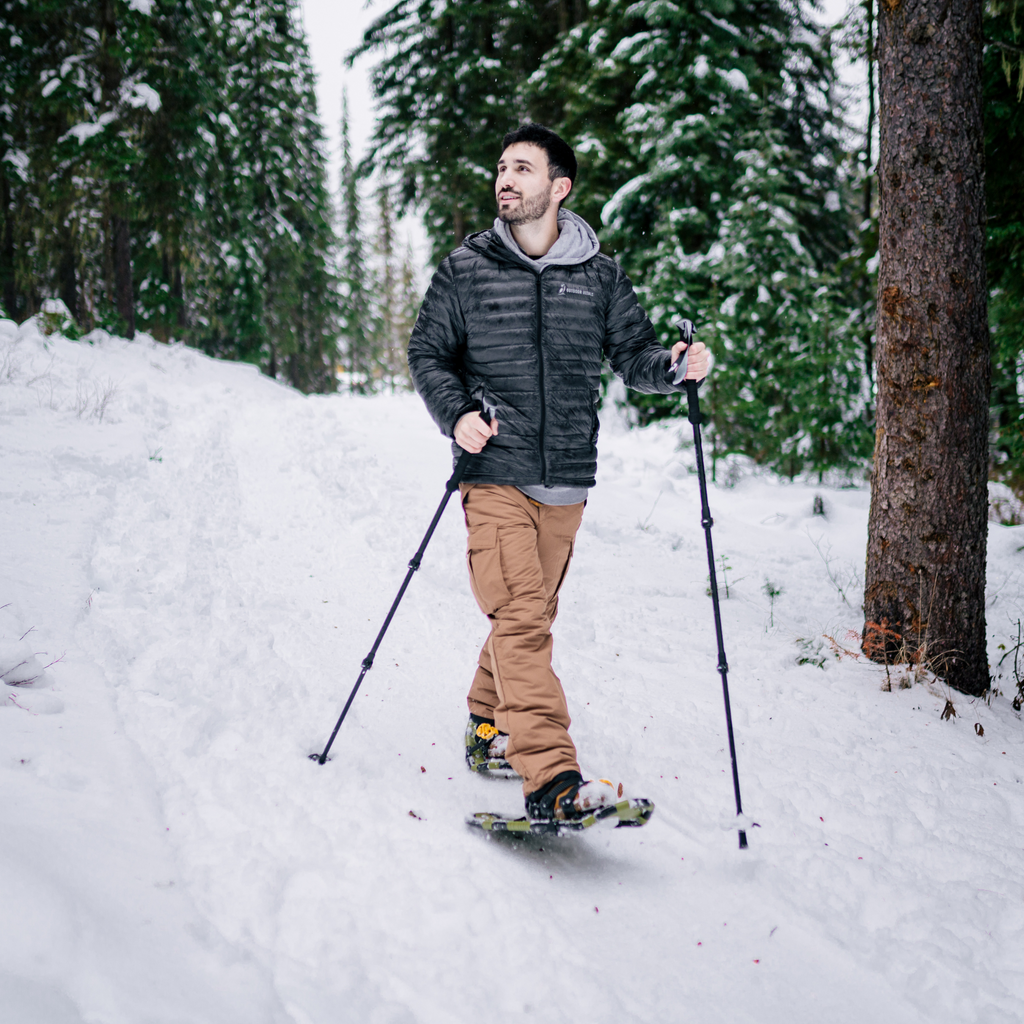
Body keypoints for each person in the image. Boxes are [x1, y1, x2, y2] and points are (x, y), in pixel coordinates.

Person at [407, 123, 708, 822]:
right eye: (500, 167)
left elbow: (635, 354)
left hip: (567, 477)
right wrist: (455, 415)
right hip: (493, 470)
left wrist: (676, 366)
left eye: (522, 168)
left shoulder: (599, 273)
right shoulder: (467, 268)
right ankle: (551, 780)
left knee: (528, 613)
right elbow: (427, 353)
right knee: (521, 617)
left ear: (559, 188)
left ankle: (486, 727)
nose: (504, 179)